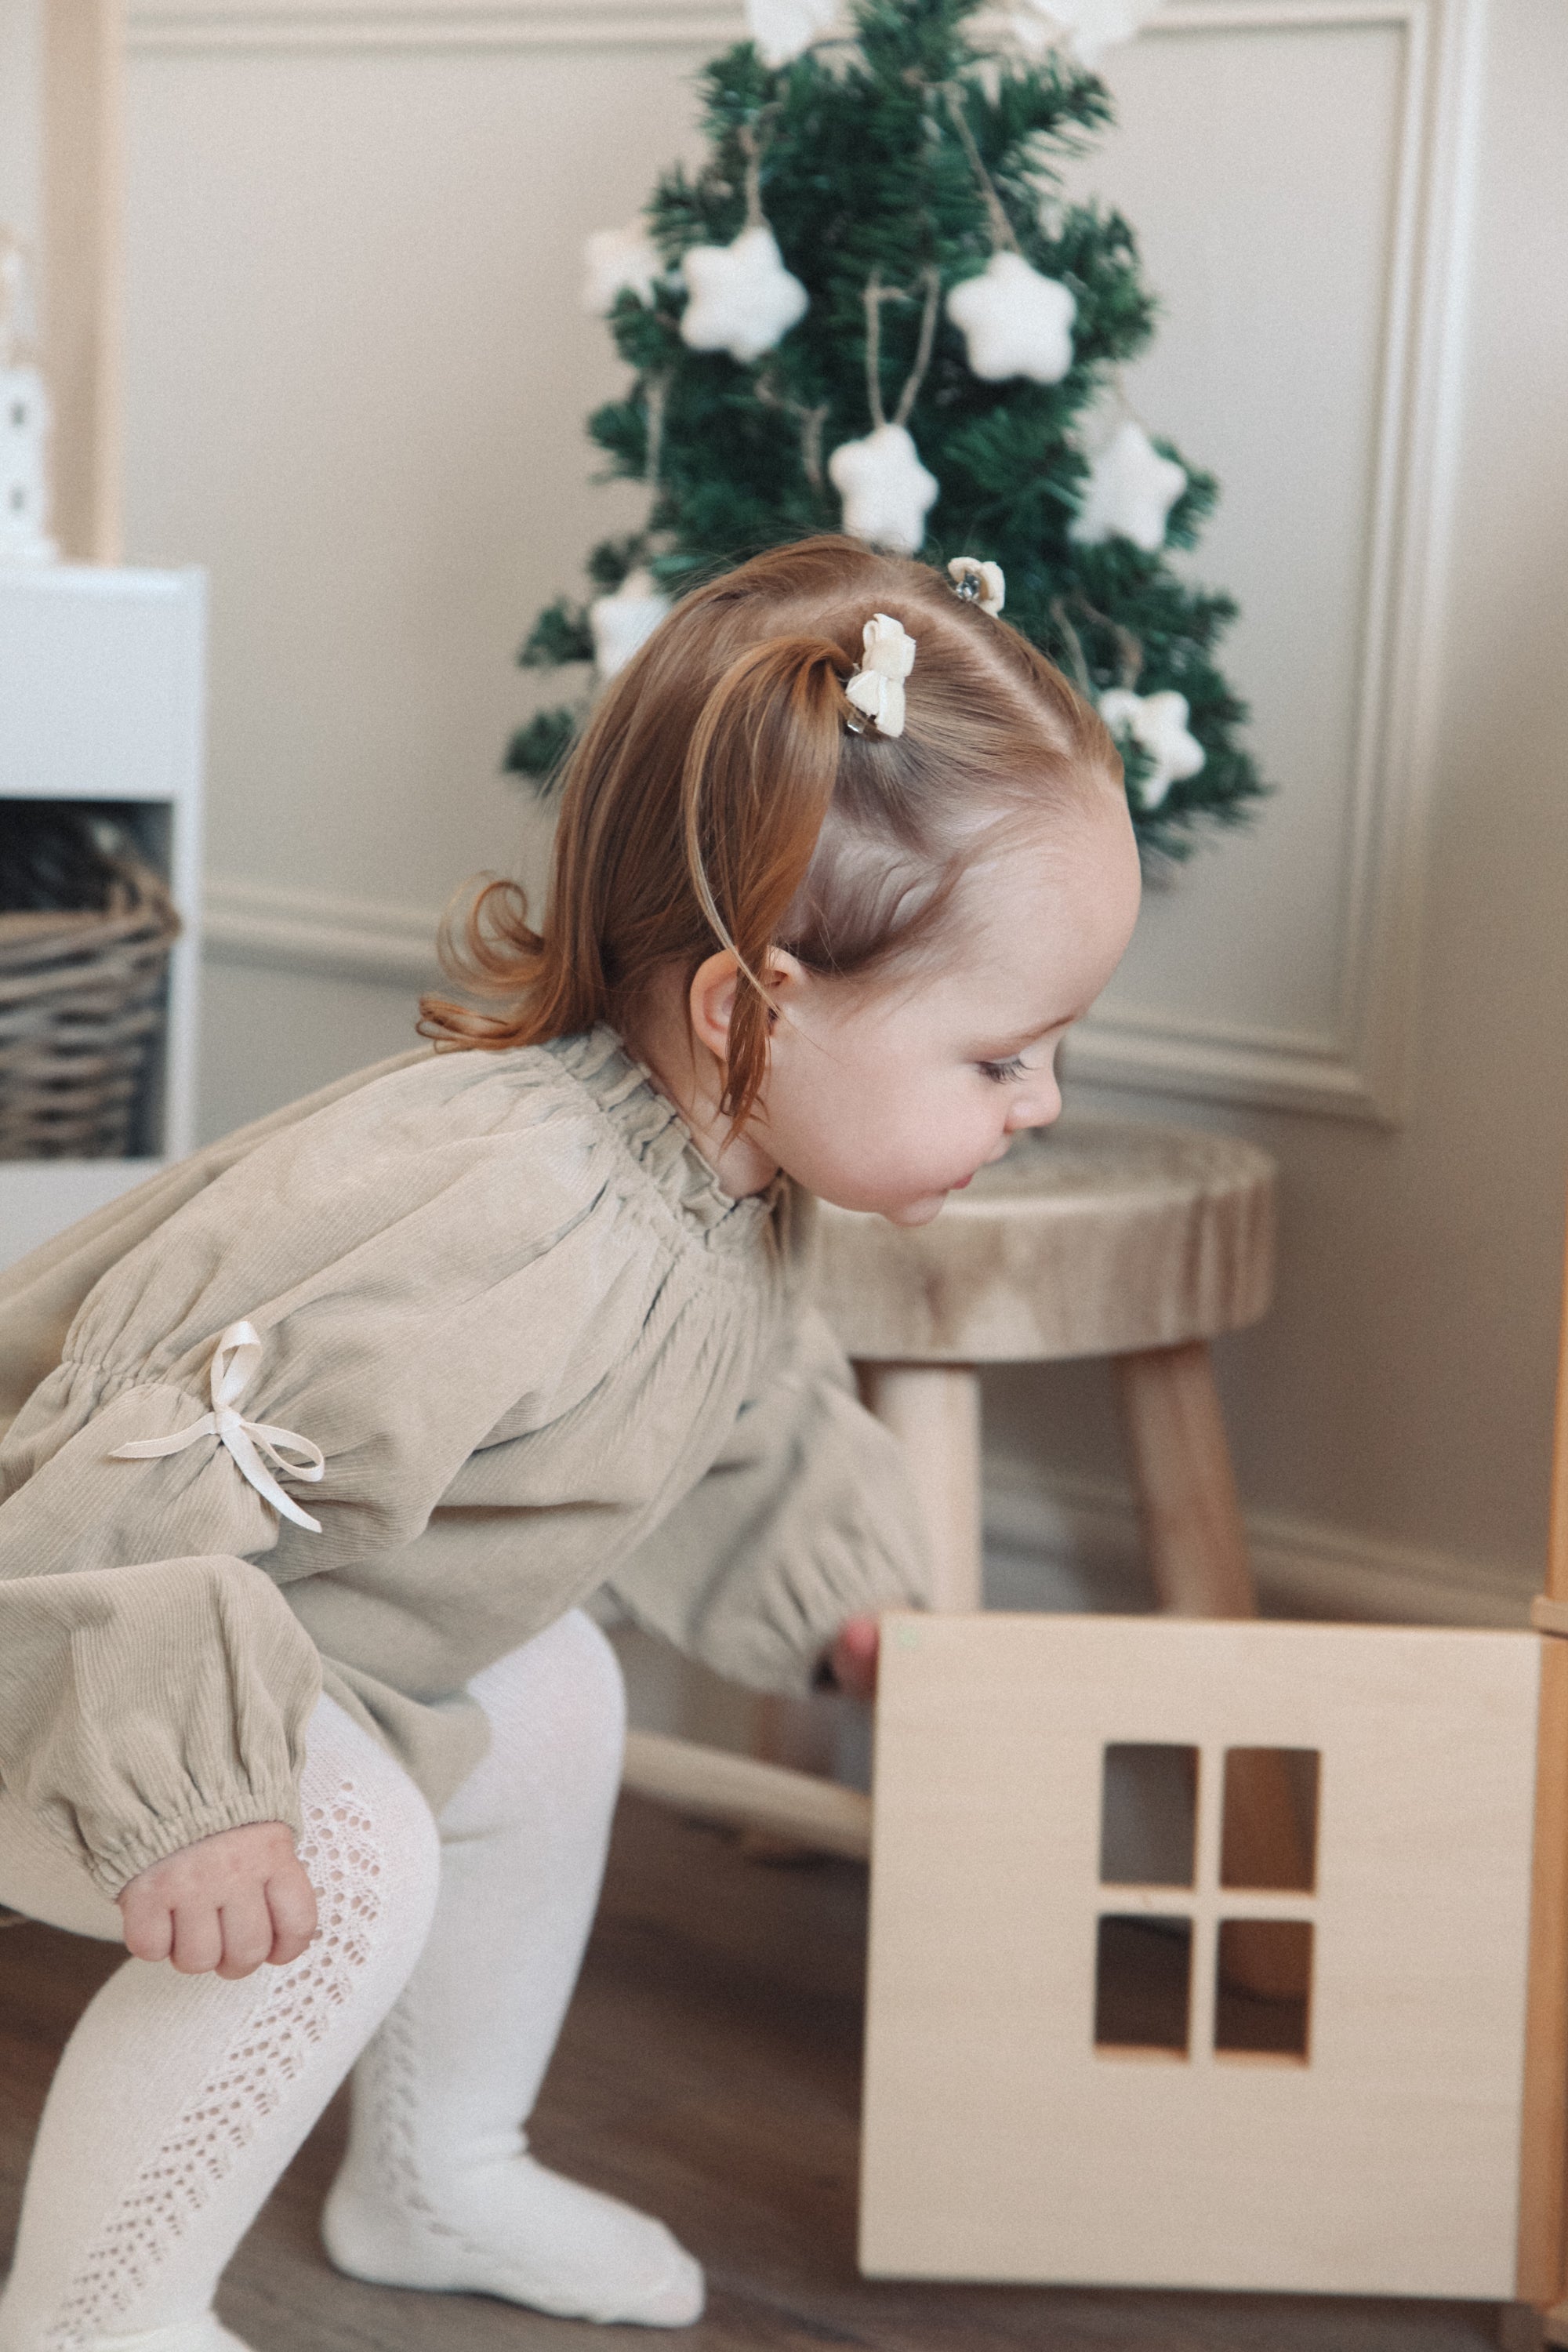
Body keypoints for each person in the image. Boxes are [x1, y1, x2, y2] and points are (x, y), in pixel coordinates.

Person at [0, 535, 1141, 2351]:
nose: (1041, 1104)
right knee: (351, 1856)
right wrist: (190, 1791)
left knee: (551, 1695)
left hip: (294, 1630)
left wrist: (840, 1601)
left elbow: (738, 1405)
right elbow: (147, 1477)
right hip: (70, 1634)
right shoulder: (505, 1219)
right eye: (1001, 1058)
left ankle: (438, 2164)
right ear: (750, 1007)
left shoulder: (730, 1180)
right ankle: (93, 2316)